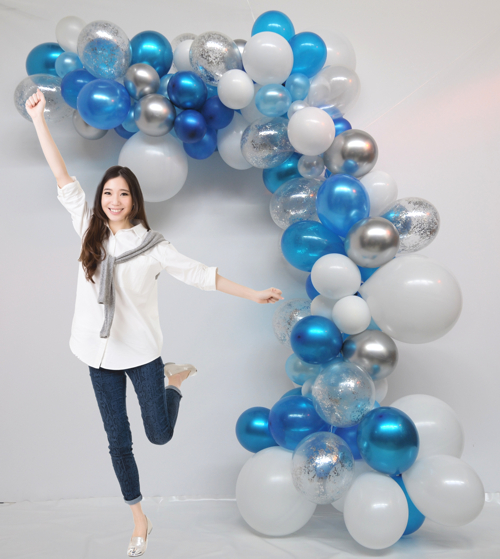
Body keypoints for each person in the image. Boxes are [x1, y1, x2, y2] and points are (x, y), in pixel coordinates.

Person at [25, 89, 284, 557]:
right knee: (117, 442)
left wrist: (255, 293)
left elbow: (204, 276)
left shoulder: (155, 247)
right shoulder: (87, 228)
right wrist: (40, 120)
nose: (113, 200)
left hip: (142, 353)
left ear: (135, 200)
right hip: (96, 353)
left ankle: (175, 380)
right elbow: (61, 174)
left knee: (158, 435)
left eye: (122, 193)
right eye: (108, 193)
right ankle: (139, 519)